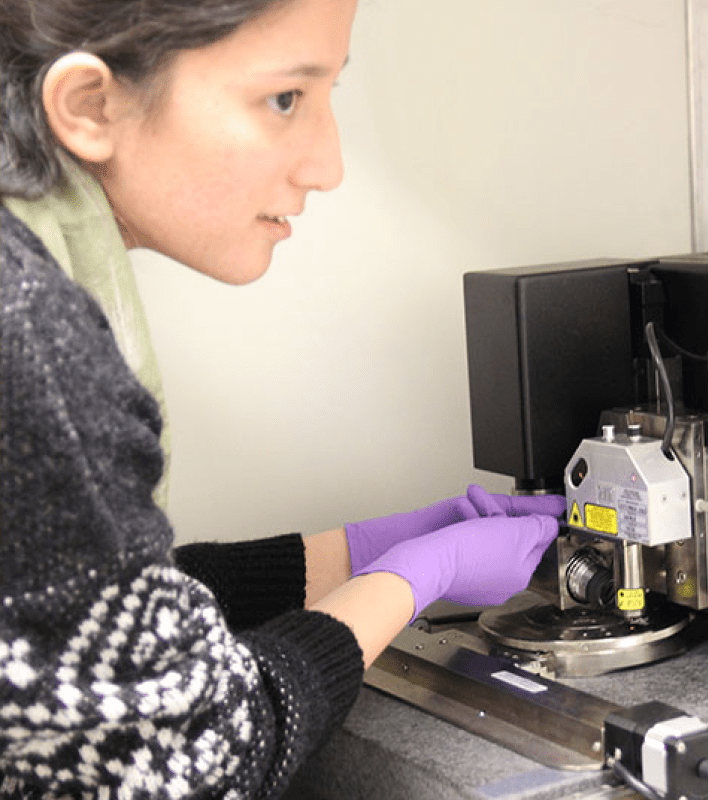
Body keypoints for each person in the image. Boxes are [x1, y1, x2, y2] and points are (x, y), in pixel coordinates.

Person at [0, 0, 565, 796]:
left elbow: (75, 613)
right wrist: (410, 579)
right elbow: (195, 757)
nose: (327, 165)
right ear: (92, 105)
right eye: (285, 99)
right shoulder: (29, 331)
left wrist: (351, 553)